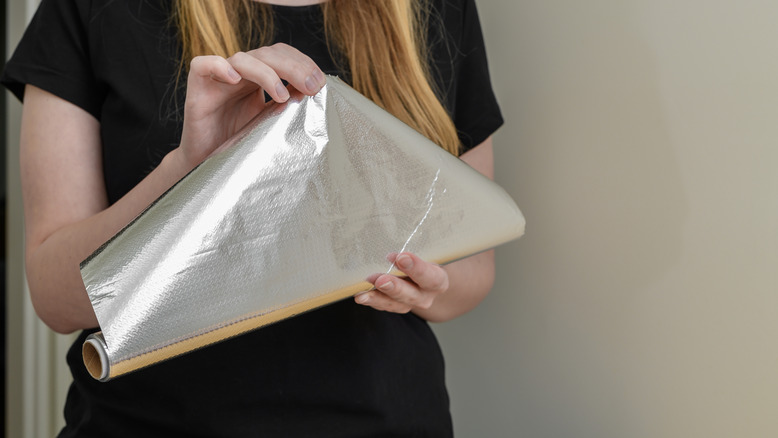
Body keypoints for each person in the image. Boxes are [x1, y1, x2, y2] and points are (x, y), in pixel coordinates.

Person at [2, 0, 503, 436]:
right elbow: (55, 295)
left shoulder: (436, 8)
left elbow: (475, 269)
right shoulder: (92, 9)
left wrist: (426, 282)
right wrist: (189, 172)